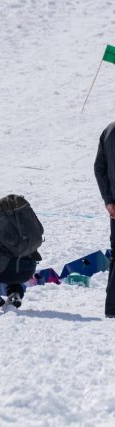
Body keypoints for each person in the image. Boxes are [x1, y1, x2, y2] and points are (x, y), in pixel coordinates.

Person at [93, 120, 115, 318]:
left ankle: (112, 309)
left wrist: (108, 200)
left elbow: (99, 168)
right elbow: (99, 168)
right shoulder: (109, 131)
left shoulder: (109, 130)